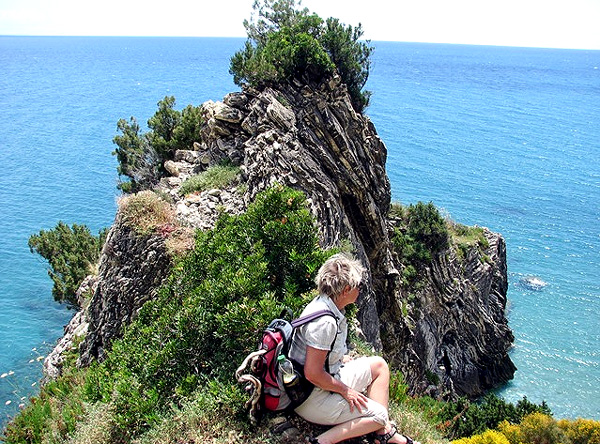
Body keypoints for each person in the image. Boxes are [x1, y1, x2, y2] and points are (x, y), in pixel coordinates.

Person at [288, 253, 420, 444]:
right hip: (311, 398)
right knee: (380, 415)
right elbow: (312, 373)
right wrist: (346, 391)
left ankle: (381, 434)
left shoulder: (326, 305)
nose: (360, 290)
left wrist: (339, 358)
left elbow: (318, 355)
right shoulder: (325, 323)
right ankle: (321, 441)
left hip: (323, 380)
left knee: (379, 366)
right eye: (359, 286)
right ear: (346, 290)